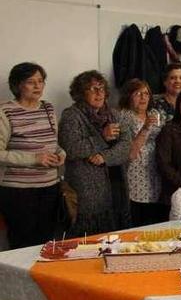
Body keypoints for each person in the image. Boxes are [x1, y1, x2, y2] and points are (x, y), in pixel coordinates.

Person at [0, 63, 66, 248]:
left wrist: (61, 154)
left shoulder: (48, 108)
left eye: (41, 81)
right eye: (31, 82)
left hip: (50, 186)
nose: (38, 86)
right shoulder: (5, 111)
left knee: (47, 243)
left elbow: (54, 143)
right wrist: (34, 159)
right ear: (18, 85)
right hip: (18, 191)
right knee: (23, 243)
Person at [59, 71, 132, 234]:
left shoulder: (113, 114)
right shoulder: (71, 115)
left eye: (101, 88)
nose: (99, 93)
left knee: (116, 238)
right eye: (92, 89)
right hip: (87, 192)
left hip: (116, 187)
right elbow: (70, 149)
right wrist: (101, 137)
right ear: (80, 93)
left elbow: (126, 145)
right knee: (89, 241)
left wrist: (104, 157)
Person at [118, 79, 164, 226]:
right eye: (138, 93)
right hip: (135, 177)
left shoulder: (155, 113)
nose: (143, 97)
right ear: (128, 96)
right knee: (139, 222)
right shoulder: (124, 116)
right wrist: (145, 129)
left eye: (146, 93)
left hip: (156, 175)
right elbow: (128, 153)